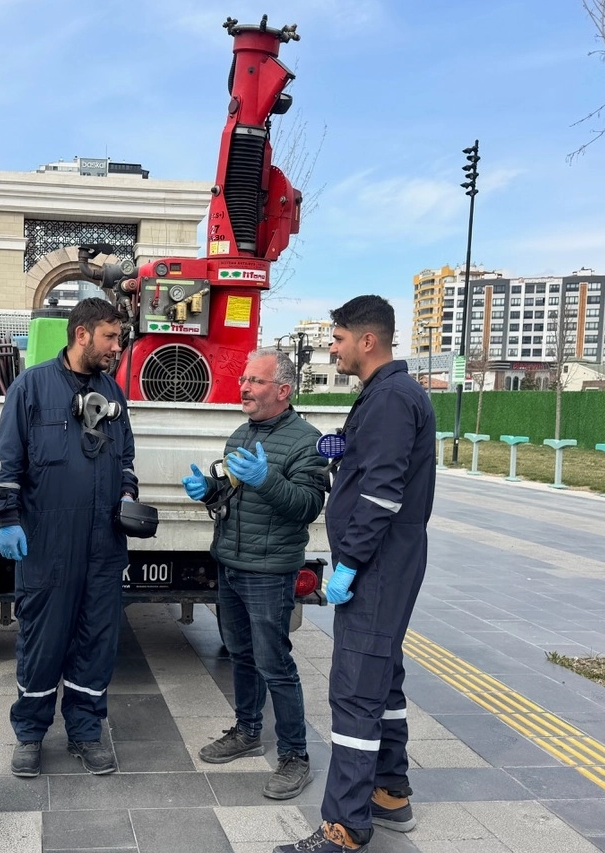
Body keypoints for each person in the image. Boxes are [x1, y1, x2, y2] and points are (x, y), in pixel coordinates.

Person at [279, 296, 436, 853]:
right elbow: (376, 468)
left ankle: (345, 826)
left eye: (338, 338)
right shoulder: (388, 394)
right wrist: (343, 449)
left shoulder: (391, 398)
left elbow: (382, 494)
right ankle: (389, 793)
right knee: (382, 677)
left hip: (378, 563)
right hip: (388, 560)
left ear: (368, 341)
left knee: (355, 690)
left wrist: (348, 563)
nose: (332, 348)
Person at [0, 297, 138, 778]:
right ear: (81, 334)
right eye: (110, 337)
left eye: (119, 338)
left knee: (96, 641)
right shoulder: (31, 388)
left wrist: (128, 496)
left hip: (104, 545)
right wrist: (7, 519)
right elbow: (7, 462)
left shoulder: (113, 394)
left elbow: (126, 460)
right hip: (48, 544)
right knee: (42, 641)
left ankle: (86, 732)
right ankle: (30, 734)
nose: (116, 347)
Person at [181, 348, 327, 800]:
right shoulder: (241, 434)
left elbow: (308, 505)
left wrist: (267, 479)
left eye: (255, 381)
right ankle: (247, 731)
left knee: (274, 664)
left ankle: (295, 756)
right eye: (243, 379)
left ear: (283, 390)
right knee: (241, 655)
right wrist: (209, 490)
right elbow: (232, 495)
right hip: (231, 563)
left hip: (269, 572)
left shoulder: (306, 441)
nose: (243, 387)